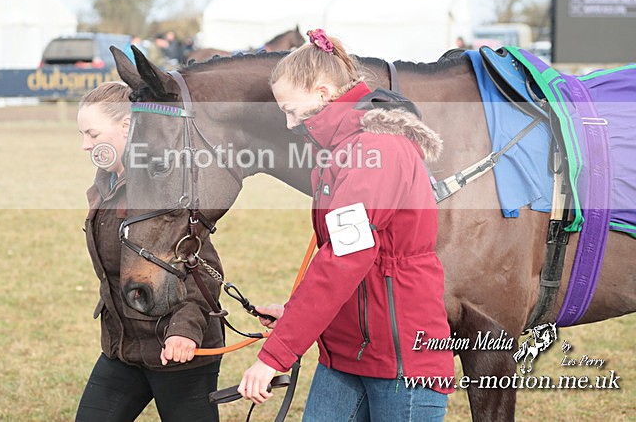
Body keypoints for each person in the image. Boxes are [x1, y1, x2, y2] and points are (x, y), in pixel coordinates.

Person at [238, 29, 455, 421]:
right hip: (347, 351)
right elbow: (346, 258)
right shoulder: (340, 150)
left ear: (322, 93)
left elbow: (343, 259)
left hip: (400, 356)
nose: (289, 123)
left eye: (290, 109)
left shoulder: (375, 149)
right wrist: (294, 313)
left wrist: (274, 357)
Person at [75, 82, 224, 422]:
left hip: (179, 353)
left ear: (127, 126)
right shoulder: (106, 183)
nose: (85, 145)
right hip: (123, 349)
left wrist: (184, 331)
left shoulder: (167, 187)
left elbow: (204, 271)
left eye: (93, 134)